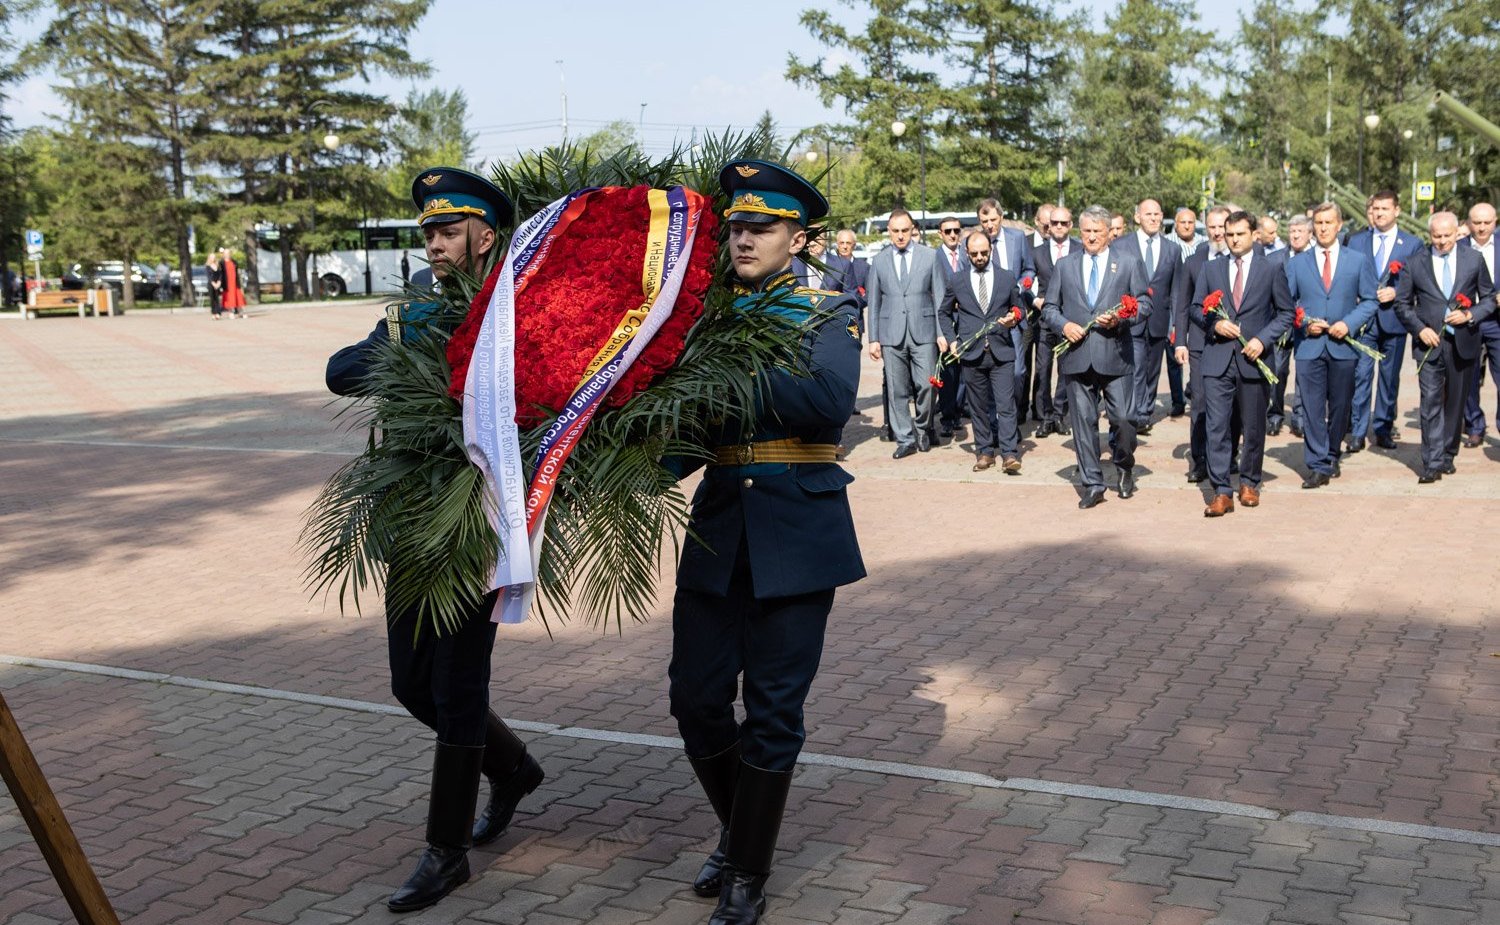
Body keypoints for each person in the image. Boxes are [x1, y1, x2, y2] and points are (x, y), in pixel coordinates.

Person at [325, 167, 543, 914]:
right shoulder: (416, 305)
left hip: (476, 516)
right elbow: (339, 373)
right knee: (409, 683)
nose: (436, 244)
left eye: (449, 231)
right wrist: (406, 332)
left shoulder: (514, 305)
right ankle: (512, 766)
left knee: (457, 687)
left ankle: (445, 852)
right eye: (428, 232)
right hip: (413, 516)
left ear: (485, 235)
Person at [669, 158, 865, 925]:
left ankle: (747, 870)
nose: (743, 238)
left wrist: (729, 362)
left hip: (797, 528)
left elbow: (827, 400)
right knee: (695, 699)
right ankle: (736, 824)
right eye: (736, 226)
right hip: (721, 526)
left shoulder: (828, 306)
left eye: (760, 227)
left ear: (798, 237)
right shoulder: (711, 319)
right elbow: (692, 435)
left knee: (775, 710)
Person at [1043, 205, 1152, 509]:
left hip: (1116, 354)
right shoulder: (1065, 265)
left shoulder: (1128, 263)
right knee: (1084, 422)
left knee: (1125, 419)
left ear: (1108, 233)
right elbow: (1050, 308)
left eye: (1097, 232)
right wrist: (1064, 325)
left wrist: (1122, 319)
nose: (1091, 237)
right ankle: (1093, 483)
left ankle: (1125, 464)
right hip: (1078, 356)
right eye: (1086, 231)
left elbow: (1145, 304)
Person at [1189, 210, 1293, 514]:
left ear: (1254, 235)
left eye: (1240, 234)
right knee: (1217, 426)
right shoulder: (1211, 269)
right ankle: (1221, 490)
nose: (1233, 240)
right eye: (1229, 234)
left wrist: (1262, 339)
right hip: (1217, 359)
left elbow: (1286, 313)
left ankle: (1249, 481)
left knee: (1253, 425)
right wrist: (1214, 324)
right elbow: (1196, 308)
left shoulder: (1271, 269)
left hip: (1254, 359)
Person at [1395, 211, 1495, 482]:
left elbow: (1488, 298)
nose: (1441, 242)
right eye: (1436, 237)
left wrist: (1470, 314)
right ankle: (1432, 463)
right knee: (1430, 402)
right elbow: (1402, 304)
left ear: (1457, 232)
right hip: (1429, 344)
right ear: (1430, 236)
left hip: (1463, 341)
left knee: (1455, 403)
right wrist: (1420, 329)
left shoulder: (1473, 260)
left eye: (1447, 236)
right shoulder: (1415, 263)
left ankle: (1449, 452)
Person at [1285, 202, 1379, 489]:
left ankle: (1332, 451)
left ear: (1339, 226)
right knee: (1312, 407)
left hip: (1343, 345)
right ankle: (1317, 463)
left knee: (1340, 406)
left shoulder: (1357, 260)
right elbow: (1287, 304)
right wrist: (1302, 324)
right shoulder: (1297, 263)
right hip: (1309, 347)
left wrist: (1348, 324)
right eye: (1319, 223)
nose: (1323, 228)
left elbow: (1370, 300)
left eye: (1329, 223)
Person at [939, 230, 1027, 473]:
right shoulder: (957, 280)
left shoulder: (1006, 278)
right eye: (975, 253)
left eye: (984, 253)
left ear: (991, 251)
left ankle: (1009, 454)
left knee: (1006, 405)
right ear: (967, 253)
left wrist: (1014, 318)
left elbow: (1019, 309)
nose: (979, 257)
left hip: (1001, 351)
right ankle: (985, 452)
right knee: (977, 406)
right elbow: (944, 312)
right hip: (971, 353)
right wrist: (952, 340)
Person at [1345, 190, 1423, 451]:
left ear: (1397, 211)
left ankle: (1383, 428)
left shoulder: (1411, 244)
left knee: (1389, 379)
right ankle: (1357, 430)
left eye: (1385, 209)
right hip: (1364, 322)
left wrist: (1398, 292)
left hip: (1395, 320)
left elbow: (1419, 283)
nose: (1379, 213)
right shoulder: (1356, 241)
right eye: (1376, 208)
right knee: (1361, 375)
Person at [867, 208, 946, 457]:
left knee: (927, 386)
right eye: (895, 231)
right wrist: (873, 339)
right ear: (889, 232)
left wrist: (942, 333)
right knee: (896, 389)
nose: (900, 236)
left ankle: (923, 428)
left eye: (905, 230)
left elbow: (940, 297)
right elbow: (874, 301)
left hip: (924, 331)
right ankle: (904, 437)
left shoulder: (930, 256)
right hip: (891, 333)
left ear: (913, 230)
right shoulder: (879, 261)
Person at [1173, 205, 1232, 482]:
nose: (1218, 232)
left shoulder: (1239, 260)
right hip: (1198, 344)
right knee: (1200, 402)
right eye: (1212, 227)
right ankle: (1199, 459)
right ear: (1205, 229)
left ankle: (1227, 456)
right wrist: (1180, 342)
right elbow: (1182, 305)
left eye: (1222, 226)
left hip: (1231, 343)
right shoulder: (1194, 262)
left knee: (1232, 404)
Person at [1113, 198, 1179, 434]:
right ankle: (1138, 414)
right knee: (1137, 366)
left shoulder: (1173, 249)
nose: (1153, 218)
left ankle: (1146, 409)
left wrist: (1176, 325)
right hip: (1132, 319)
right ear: (1137, 217)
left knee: (1153, 369)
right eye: (1148, 214)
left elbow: (1176, 290)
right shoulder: (1122, 245)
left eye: (1157, 214)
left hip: (1160, 319)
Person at [1030, 206, 1076, 436]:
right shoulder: (1036, 252)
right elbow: (1026, 279)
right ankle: (1045, 416)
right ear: (1047, 226)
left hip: (1070, 320)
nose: (1058, 227)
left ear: (1071, 225)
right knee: (1043, 369)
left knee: (1066, 369)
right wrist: (1034, 298)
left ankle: (1060, 415)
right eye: (1054, 223)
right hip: (1045, 319)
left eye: (1063, 223)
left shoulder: (1079, 249)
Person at [1267, 215, 1314, 437]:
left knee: (1304, 372)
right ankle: (1275, 414)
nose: (1295, 236)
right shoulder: (1276, 259)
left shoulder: (1316, 258)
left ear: (1309, 234)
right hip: (1281, 324)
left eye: (1300, 232)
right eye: (1292, 232)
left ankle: (1300, 417)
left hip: (1308, 325)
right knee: (1277, 370)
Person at [1462, 202, 1500, 447]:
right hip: (1469, 320)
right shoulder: (1459, 248)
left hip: (1497, 322)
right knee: (1469, 376)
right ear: (1468, 223)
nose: (1482, 228)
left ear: (1495, 222)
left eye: (1487, 222)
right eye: (1477, 223)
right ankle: (1474, 424)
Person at [219, 249, 246, 318]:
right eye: (226, 253)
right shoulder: (221, 263)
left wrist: (240, 283)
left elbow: (237, 273)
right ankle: (231, 312)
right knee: (230, 298)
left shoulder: (234, 262)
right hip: (227, 284)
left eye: (228, 253)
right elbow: (220, 274)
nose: (227, 255)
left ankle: (241, 312)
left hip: (235, 282)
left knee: (239, 297)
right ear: (224, 254)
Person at [206, 252, 223, 318]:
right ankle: (213, 313)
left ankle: (218, 312)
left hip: (218, 284)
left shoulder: (218, 265)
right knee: (212, 299)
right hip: (211, 284)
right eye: (211, 257)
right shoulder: (208, 266)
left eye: (214, 257)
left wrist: (219, 282)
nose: (213, 258)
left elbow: (220, 275)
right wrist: (213, 283)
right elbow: (209, 276)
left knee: (217, 299)